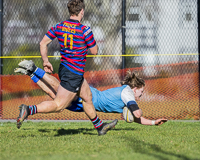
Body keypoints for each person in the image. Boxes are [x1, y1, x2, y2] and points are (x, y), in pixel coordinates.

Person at [16, 0, 118, 136]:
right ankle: (28, 110)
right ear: (82, 11)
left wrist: (46, 61)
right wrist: (91, 44)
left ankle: (100, 127)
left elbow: (43, 43)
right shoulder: (84, 30)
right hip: (74, 72)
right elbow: (94, 51)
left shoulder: (58, 26)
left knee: (87, 97)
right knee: (59, 105)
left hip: (65, 68)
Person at [15, 61, 168, 126]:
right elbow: (137, 113)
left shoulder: (126, 98)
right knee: (60, 91)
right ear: (135, 88)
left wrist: (154, 123)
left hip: (85, 105)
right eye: (141, 92)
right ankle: (35, 69)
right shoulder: (128, 92)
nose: (141, 96)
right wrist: (138, 111)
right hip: (89, 97)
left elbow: (135, 119)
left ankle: (30, 73)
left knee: (55, 96)